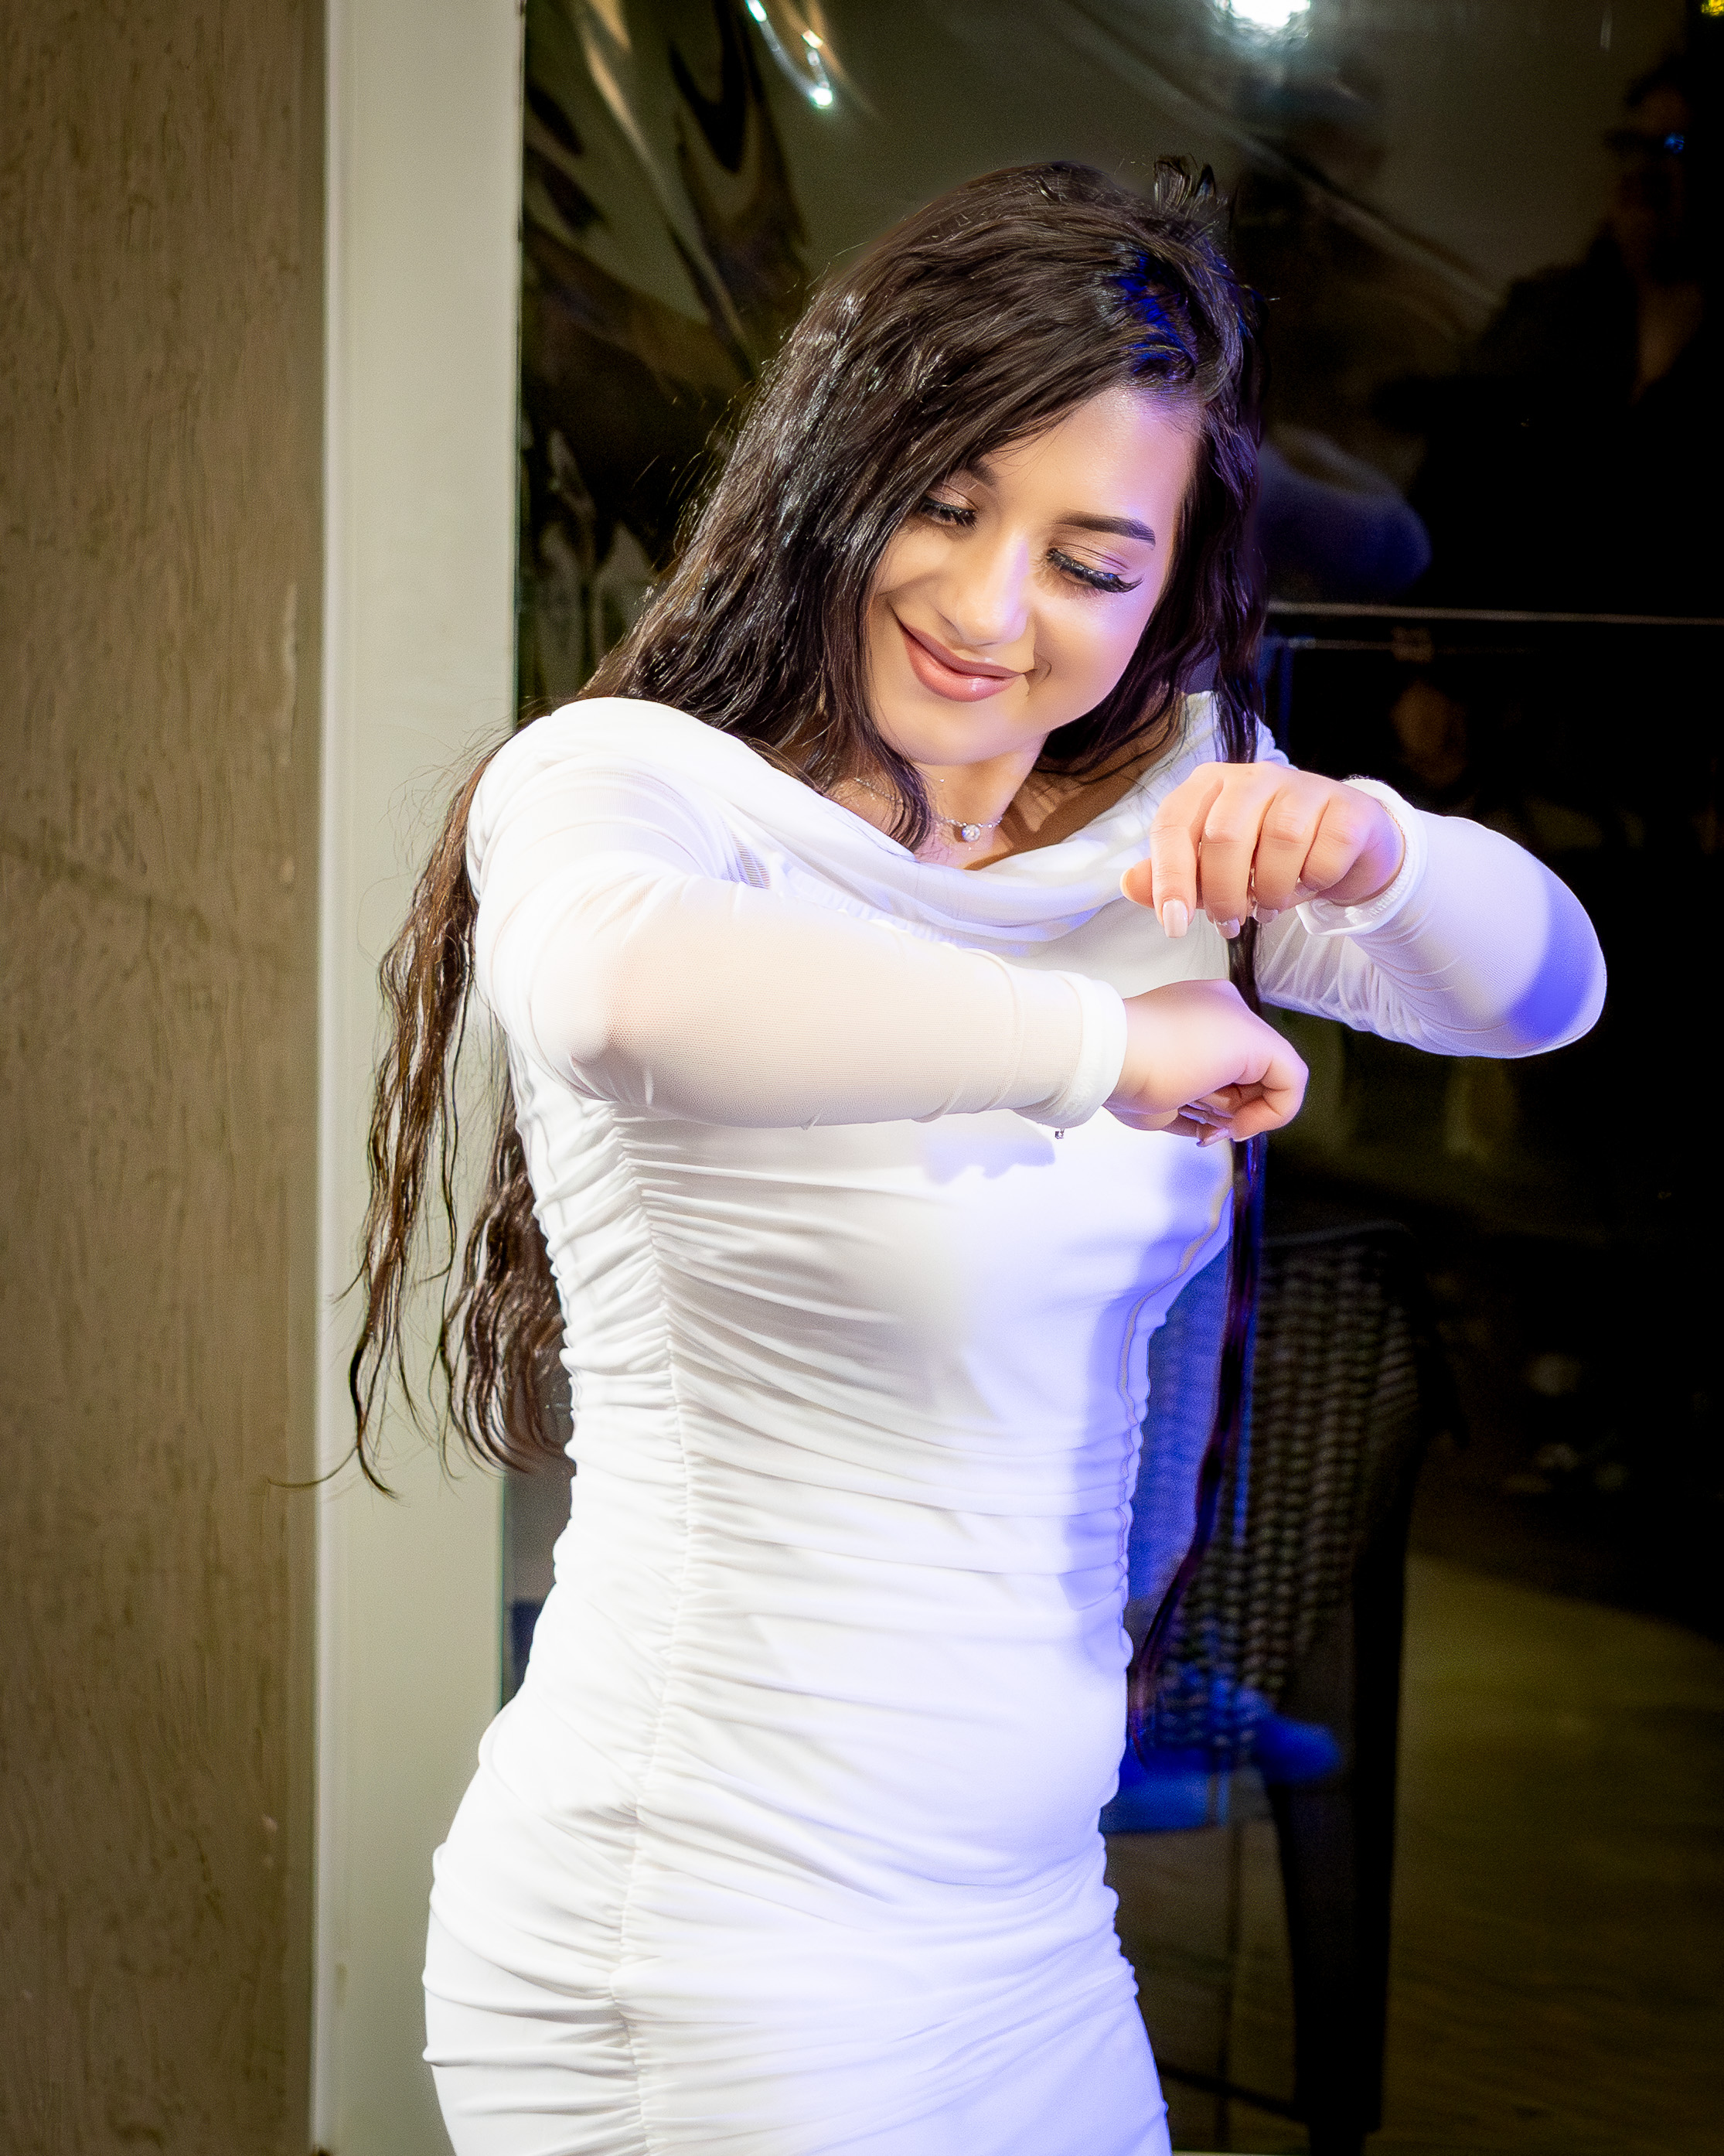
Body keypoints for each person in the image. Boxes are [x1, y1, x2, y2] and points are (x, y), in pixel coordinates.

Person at [352, 162, 1605, 2156]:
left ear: (1168, 583)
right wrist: (1102, 1051)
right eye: (945, 504)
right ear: (834, 467)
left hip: (1026, 1927)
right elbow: (611, 991)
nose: (991, 607)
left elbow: (1543, 994)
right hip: (712, 1942)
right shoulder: (636, 786)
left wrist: (1376, 849)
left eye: (1092, 562)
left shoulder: (1158, 826)